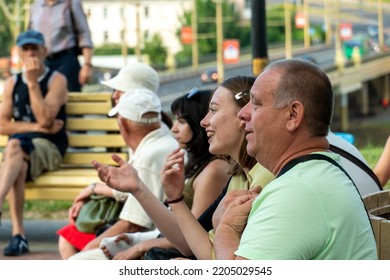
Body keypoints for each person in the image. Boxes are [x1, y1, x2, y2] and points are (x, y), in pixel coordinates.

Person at [90, 76, 274, 260]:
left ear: (244, 116)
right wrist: (143, 189)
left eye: (214, 111)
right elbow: (189, 243)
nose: (204, 122)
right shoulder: (238, 177)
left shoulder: (266, 179)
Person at [213, 58, 377, 259]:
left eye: (256, 104)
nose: (243, 114)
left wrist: (226, 230)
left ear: (293, 115)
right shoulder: (314, 174)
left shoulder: (297, 190)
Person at [56, 62, 173, 259]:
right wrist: (94, 187)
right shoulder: (155, 130)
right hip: (144, 226)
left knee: (76, 255)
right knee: (68, 238)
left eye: (120, 90)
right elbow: (135, 187)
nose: (114, 95)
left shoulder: (151, 149)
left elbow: (134, 223)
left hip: (145, 235)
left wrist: (82, 257)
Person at [0, 30, 68, 256]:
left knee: (14, 147)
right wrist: (36, 128)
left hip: (49, 146)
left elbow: (46, 119)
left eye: (34, 48)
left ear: (44, 51)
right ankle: (18, 236)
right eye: (25, 49)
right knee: (18, 158)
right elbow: (2, 125)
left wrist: (32, 84)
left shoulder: (57, 80)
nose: (30, 53)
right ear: (19, 52)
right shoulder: (11, 82)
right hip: (19, 152)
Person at [28, 0, 93, 91]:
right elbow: (29, 37)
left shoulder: (71, 3)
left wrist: (87, 65)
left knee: (69, 100)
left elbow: (84, 34)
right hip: (43, 62)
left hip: (66, 61)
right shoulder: (36, 6)